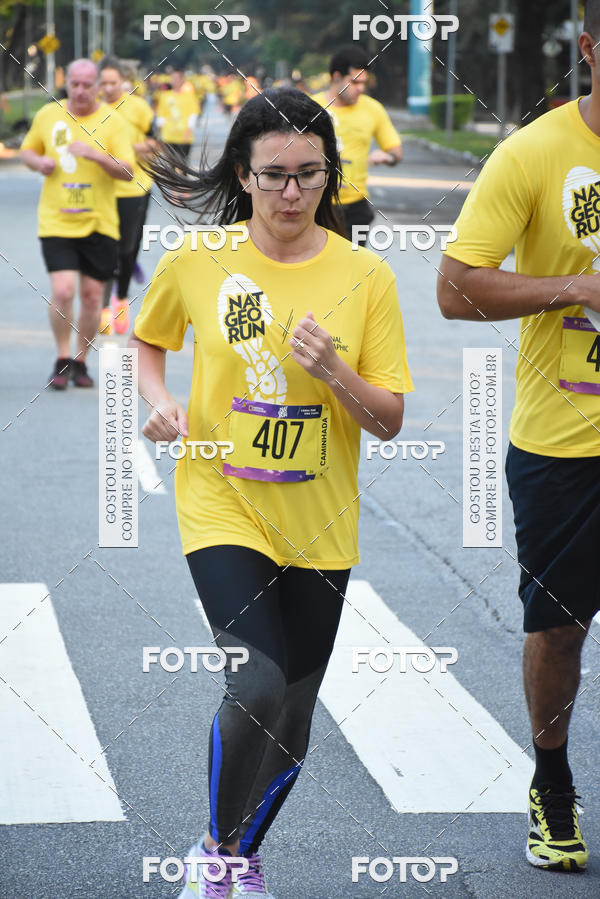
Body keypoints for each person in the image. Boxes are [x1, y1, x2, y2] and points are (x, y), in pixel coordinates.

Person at [130, 87, 413, 898]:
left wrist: (334, 371)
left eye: (310, 175)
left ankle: (245, 854)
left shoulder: (365, 277)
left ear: (330, 177)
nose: (293, 192)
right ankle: (215, 854)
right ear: (244, 177)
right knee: (252, 681)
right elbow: (148, 341)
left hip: (320, 517)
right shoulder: (200, 261)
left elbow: (388, 418)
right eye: (275, 175)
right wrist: (158, 401)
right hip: (222, 499)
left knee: (291, 715)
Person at [437, 0, 600, 874]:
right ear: (588, 49)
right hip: (565, 440)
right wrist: (575, 286)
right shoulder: (533, 152)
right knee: (562, 628)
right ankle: (552, 778)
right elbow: (455, 289)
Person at [20, 58, 133, 388]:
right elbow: (27, 150)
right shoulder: (48, 115)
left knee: (92, 295)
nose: (81, 91)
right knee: (63, 289)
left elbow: (128, 171)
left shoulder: (113, 122)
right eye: (75, 84)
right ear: (66, 83)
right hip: (57, 219)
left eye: (88, 84)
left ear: (98, 85)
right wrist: (37, 161)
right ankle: (61, 356)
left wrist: (96, 155)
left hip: (100, 222)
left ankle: (81, 360)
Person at [312, 45, 402, 245]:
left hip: (356, 208)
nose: (361, 88)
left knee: (352, 271)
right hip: (316, 205)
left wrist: (389, 157)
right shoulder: (311, 108)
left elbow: (396, 151)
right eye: (354, 82)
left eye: (363, 82)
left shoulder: (373, 109)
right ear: (336, 77)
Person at [98, 57, 156, 335]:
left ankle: (121, 298)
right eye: (104, 83)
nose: (108, 88)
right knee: (105, 246)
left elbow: (156, 143)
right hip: (102, 187)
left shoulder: (139, 108)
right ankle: (102, 309)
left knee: (127, 248)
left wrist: (131, 147)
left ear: (123, 81)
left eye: (113, 82)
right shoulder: (92, 110)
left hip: (136, 186)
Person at [155, 69, 200, 162]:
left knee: (183, 163)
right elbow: (160, 116)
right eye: (172, 78)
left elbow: (193, 114)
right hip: (168, 135)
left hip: (183, 136)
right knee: (171, 164)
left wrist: (189, 129)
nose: (174, 80)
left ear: (182, 80)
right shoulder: (165, 96)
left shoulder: (189, 96)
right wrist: (160, 132)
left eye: (176, 78)